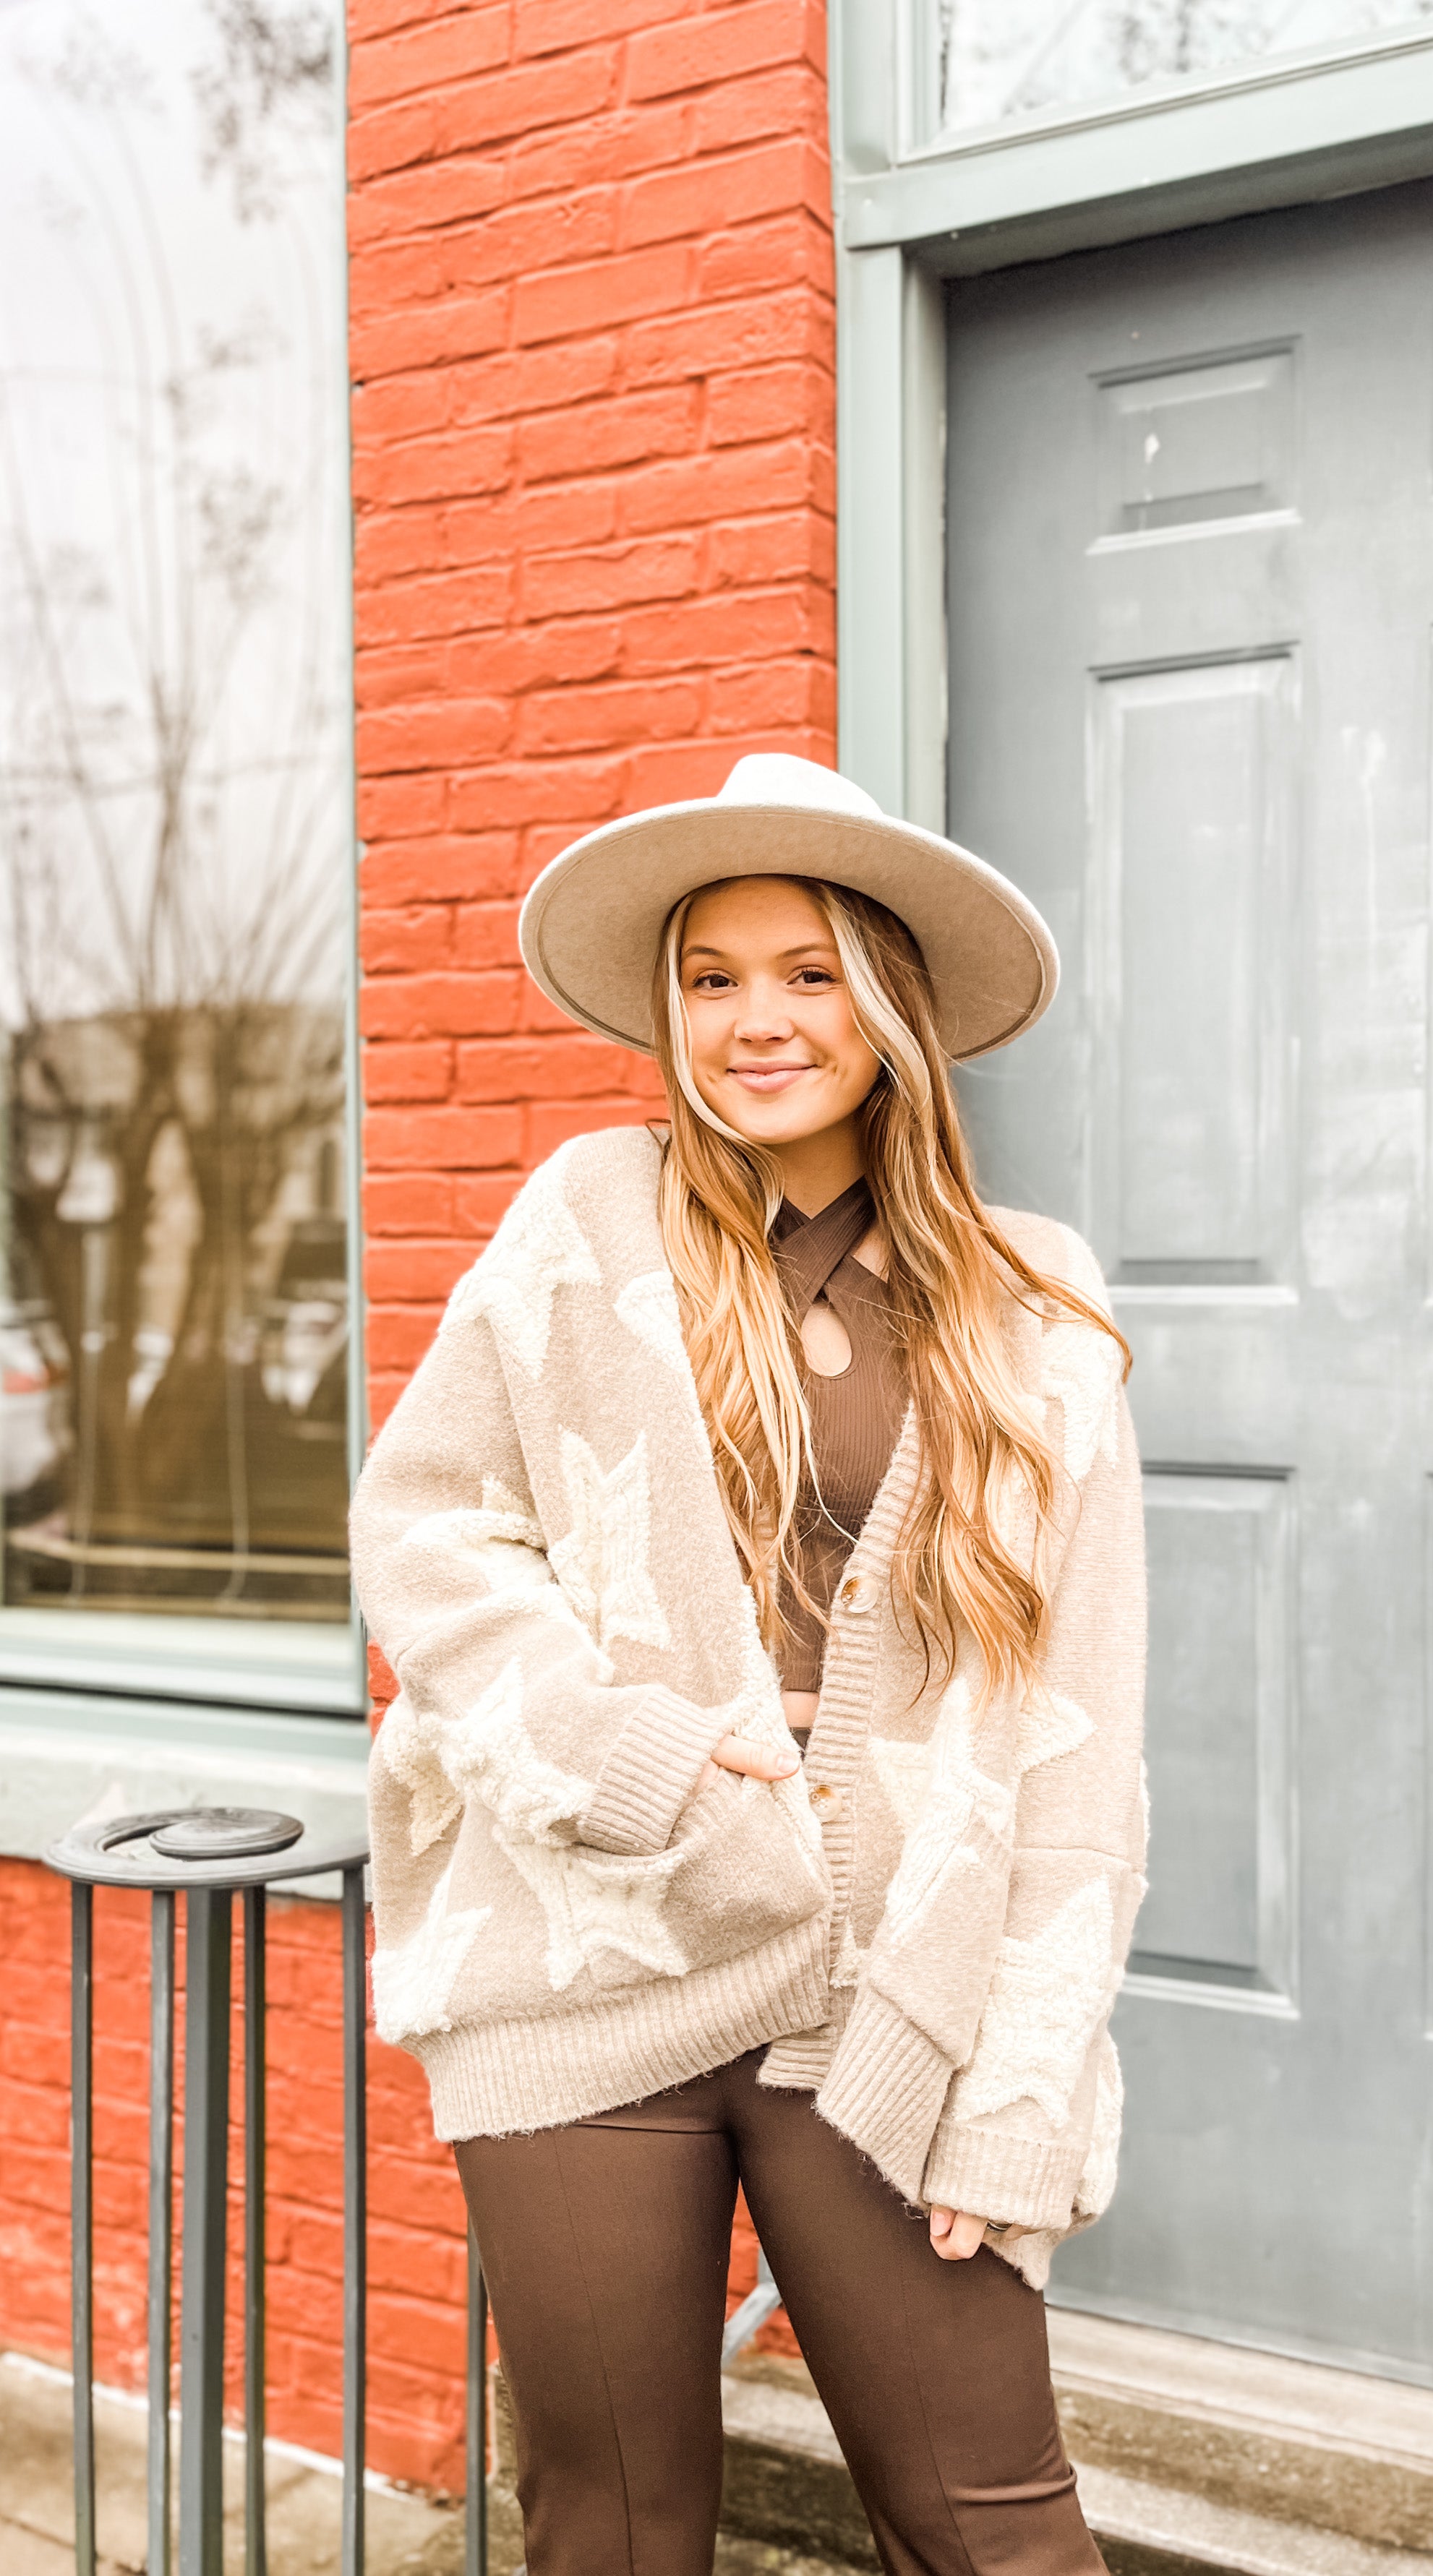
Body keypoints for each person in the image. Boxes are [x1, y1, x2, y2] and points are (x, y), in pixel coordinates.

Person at [349, 752, 1148, 2576]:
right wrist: (621, 1754)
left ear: (891, 1001)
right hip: (587, 1946)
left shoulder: (1035, 1310)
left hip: (887, 1979)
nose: (754, 1019)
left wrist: (1024, 2090)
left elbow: (1078, 1743)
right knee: (610, 2526)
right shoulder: (585, 1218)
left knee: (991, 2524)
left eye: (806, 972)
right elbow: (428, 1526)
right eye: (710, 978)